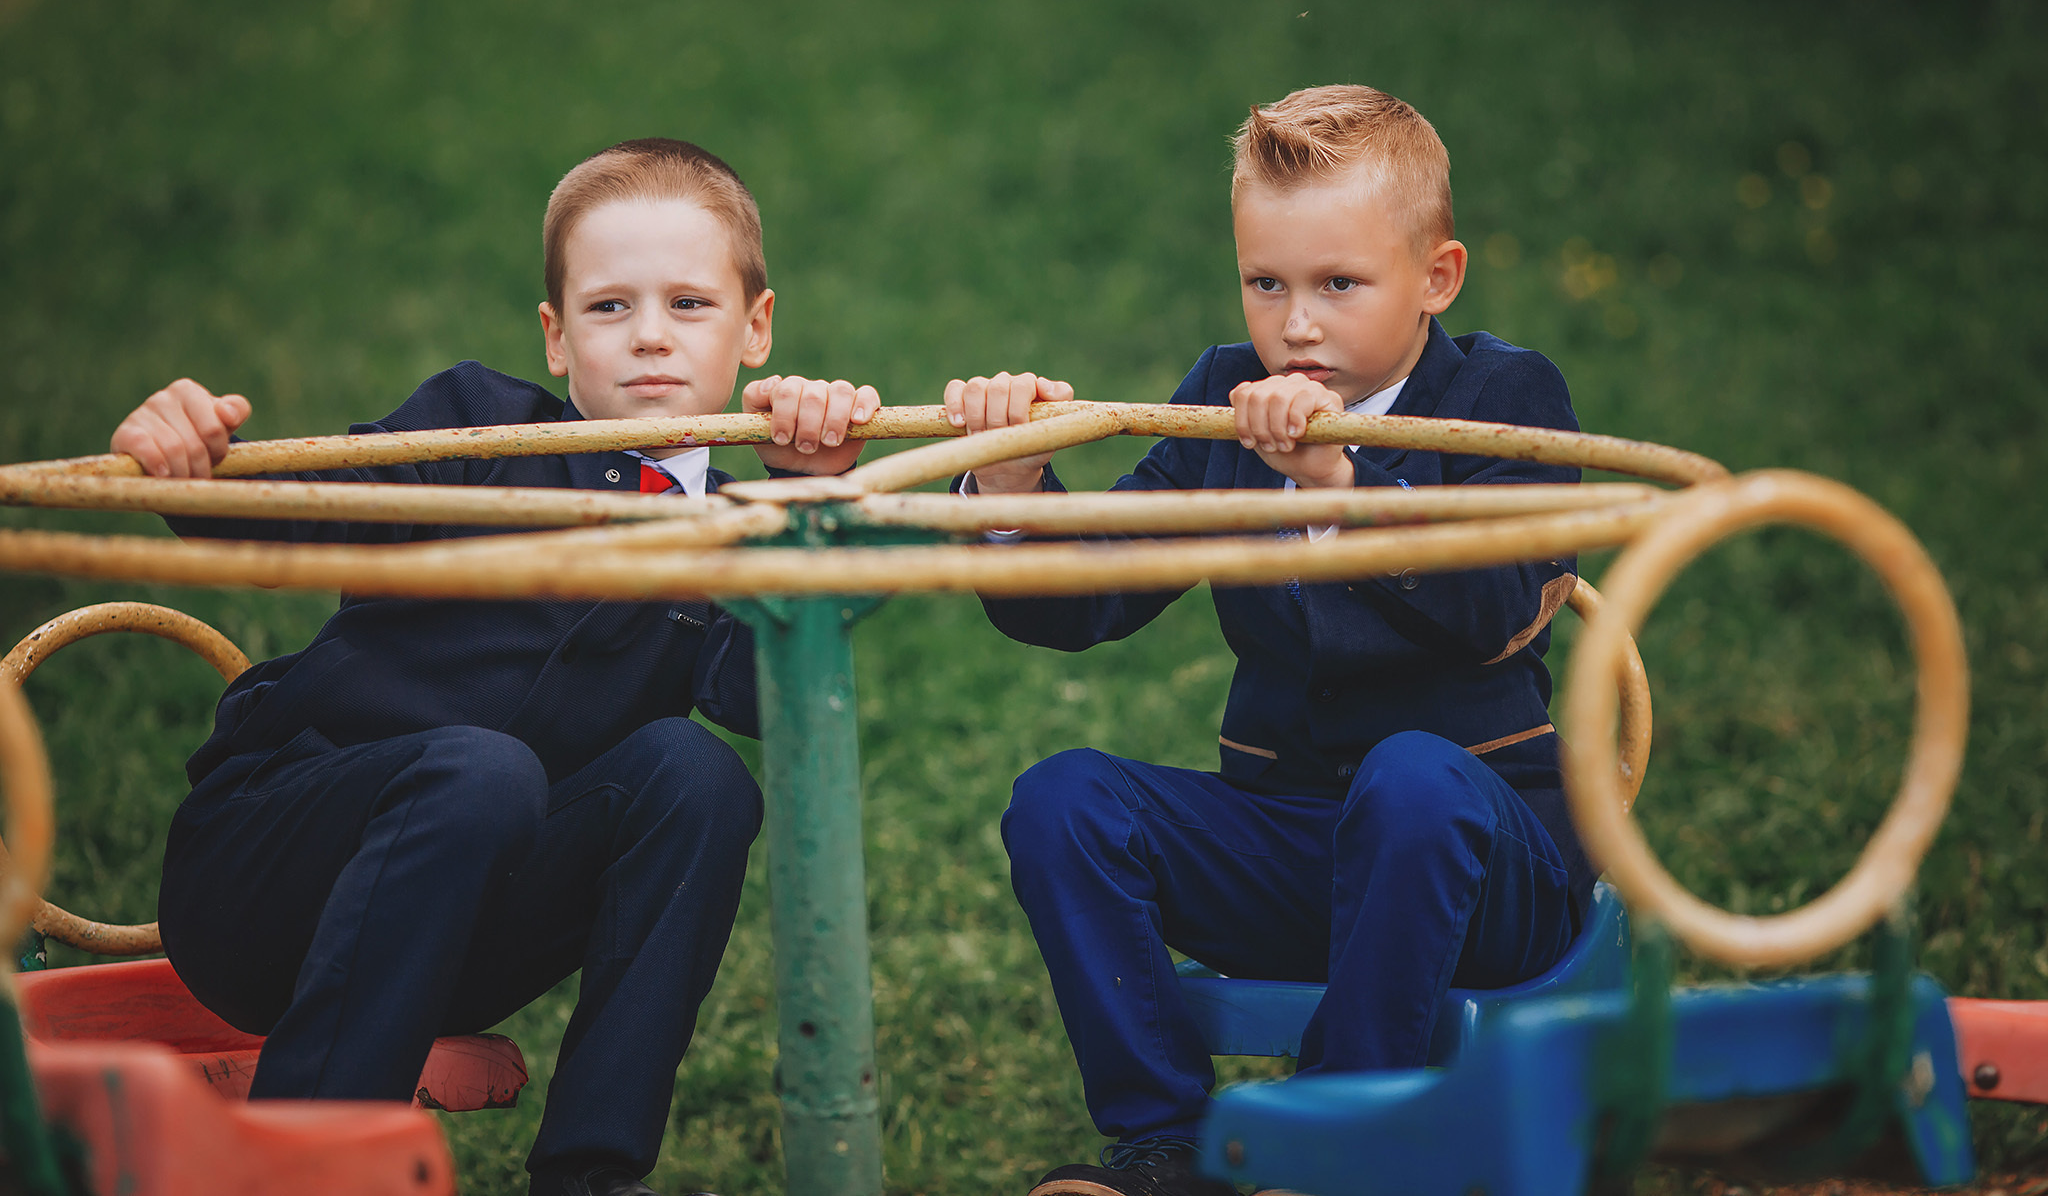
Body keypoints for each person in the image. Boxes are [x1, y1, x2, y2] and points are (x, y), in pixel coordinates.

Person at [112, 138, 877, 1196]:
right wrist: (189, 464)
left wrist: (799, 510)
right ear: (557, 341)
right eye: (609, 308)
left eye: (689, 305)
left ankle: (590, 1175)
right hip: (268, 878)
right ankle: (301, 1169)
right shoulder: (484, 426)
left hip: (460, 931)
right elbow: (305, 515)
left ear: (755, 330)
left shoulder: (728, 528)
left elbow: (763, 701)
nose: (650, 337)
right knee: (482, 768)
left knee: (697, 777)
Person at [944, 86, 1594, 1196]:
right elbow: (1082, 600)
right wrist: (1009, 481)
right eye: (1266, 284)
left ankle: (1338, 1146)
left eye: (1339, 285)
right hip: (1295, 840)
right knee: (1063, 799)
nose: (1295, 325)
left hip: (1489, 860)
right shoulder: (1222, 399)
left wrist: (1342, 487)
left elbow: (1494, 608)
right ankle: (1162, 1148)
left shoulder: (1501, 396)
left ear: (1435, 278)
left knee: (1410, 779)